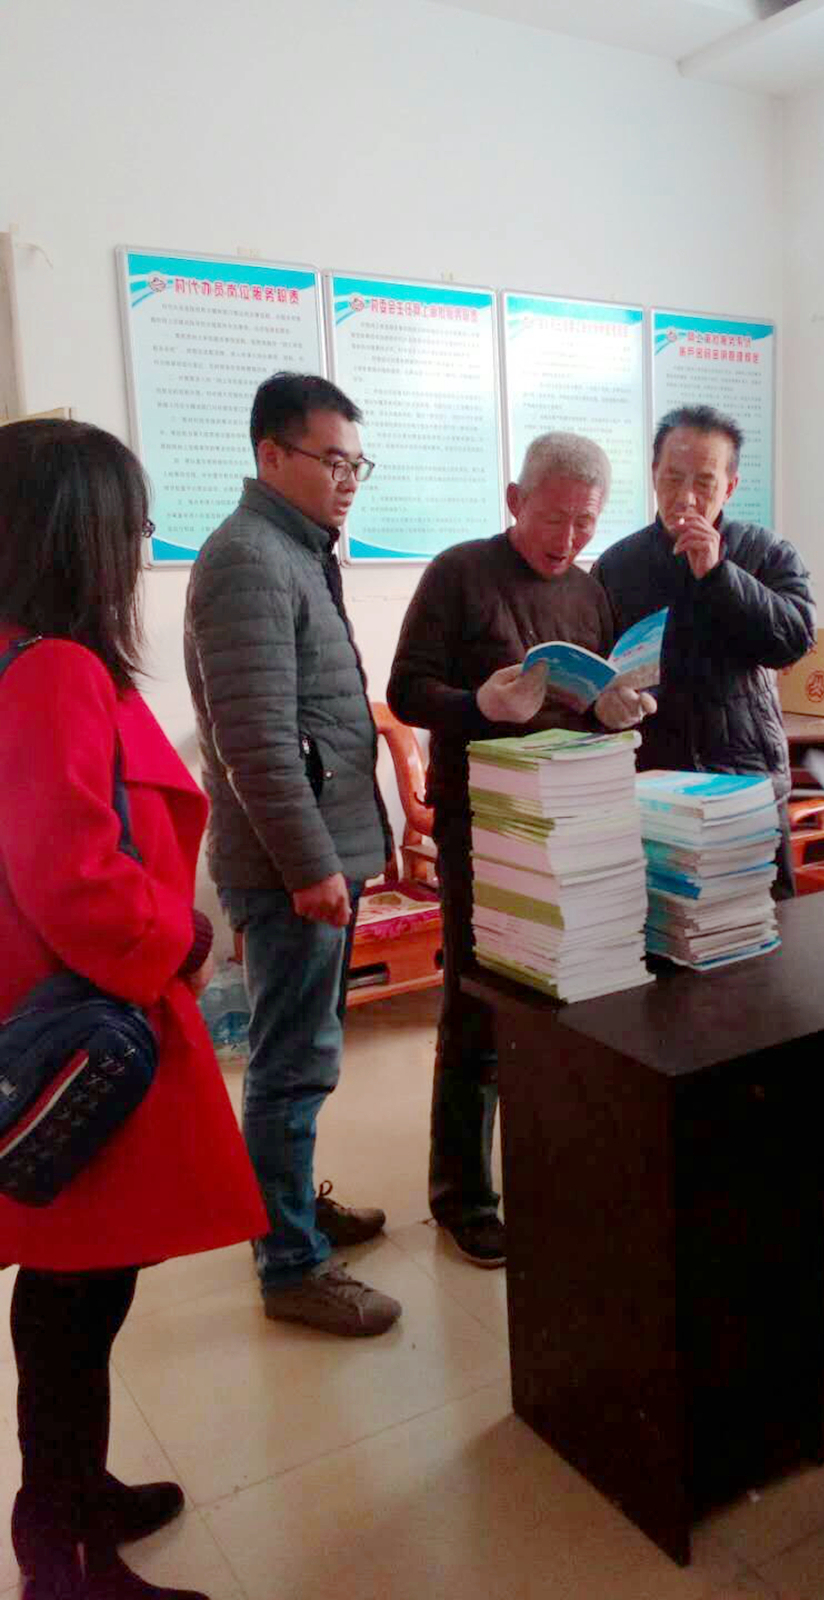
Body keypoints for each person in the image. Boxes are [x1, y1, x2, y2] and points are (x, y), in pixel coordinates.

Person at [0, 420, 269, 1600]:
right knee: (76, 1296)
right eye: (135, 525)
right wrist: (184, 940)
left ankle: (74, 1497)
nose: (141, 549)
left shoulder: (21, 657)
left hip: (52, 1009)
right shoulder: (53, 667)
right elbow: (76, 880)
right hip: (86, 1018)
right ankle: (64, 1554)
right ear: (80, 536)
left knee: (73, 1290)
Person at [387, 432, 653, 1269]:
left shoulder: (589, 590)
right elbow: (405, 690)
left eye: (586, 523)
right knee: (478, 1002)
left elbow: (592, 693)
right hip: (481, 821)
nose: (568, 539)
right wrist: (478, 705)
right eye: (554, 518)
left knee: (567, 993)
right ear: (514, 500)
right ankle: (463, 1197)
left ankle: (554, 1166)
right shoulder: (459, 573)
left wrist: (612, 710)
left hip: (571, 814)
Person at [184, 373, 398, 1338]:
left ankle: (293, 1209)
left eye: (357, 464)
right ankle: (291, 1264)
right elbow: (258, 740)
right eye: (331, 461)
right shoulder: (247, 559)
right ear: (271, 455)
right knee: (289, 1065)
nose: (347, 481)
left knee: (306, 1053)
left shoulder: (293, 549)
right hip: (286, 867)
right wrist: (312, 868)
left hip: (313, 852)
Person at [593, 404, 815, 896]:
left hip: (745, 783)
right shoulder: (617, 566)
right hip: (650, 785)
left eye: (705, 483)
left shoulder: (767, 553)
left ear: (729, 488)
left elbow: (794, 641)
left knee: (760, 924)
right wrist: (604, 703)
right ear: (653, 474)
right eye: (673, 478)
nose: (686, 497)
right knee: (659, 928)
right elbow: (596, 669)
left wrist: (719, 574)